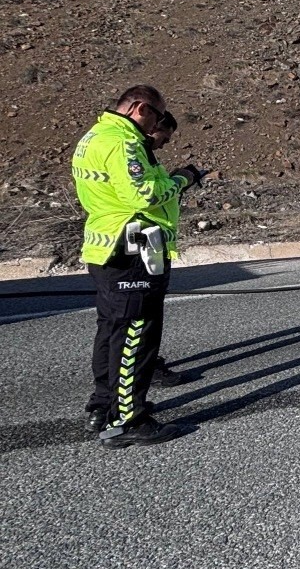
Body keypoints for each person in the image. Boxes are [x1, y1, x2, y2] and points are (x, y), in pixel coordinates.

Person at [72, 85, 205, 447]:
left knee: (111, 329)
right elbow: (143, 194)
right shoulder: (124, 142)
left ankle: (102, 405)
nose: (158, 125)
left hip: (105, 247)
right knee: (136, 334)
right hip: (133, 252)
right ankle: (129, 419)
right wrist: (182, 179)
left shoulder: (95, 136)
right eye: (158, 117)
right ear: (140, 109)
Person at [144, 111, 187, 389]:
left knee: (142, 316)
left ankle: (146, 362)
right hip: (142, 246)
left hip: (150, 244)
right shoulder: (131, 152)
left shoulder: (142, 153)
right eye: (164, 137)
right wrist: (183, 180)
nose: (165, 144)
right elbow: (148, 195)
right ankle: (143, 368)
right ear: (153, 126)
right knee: (141, 318)